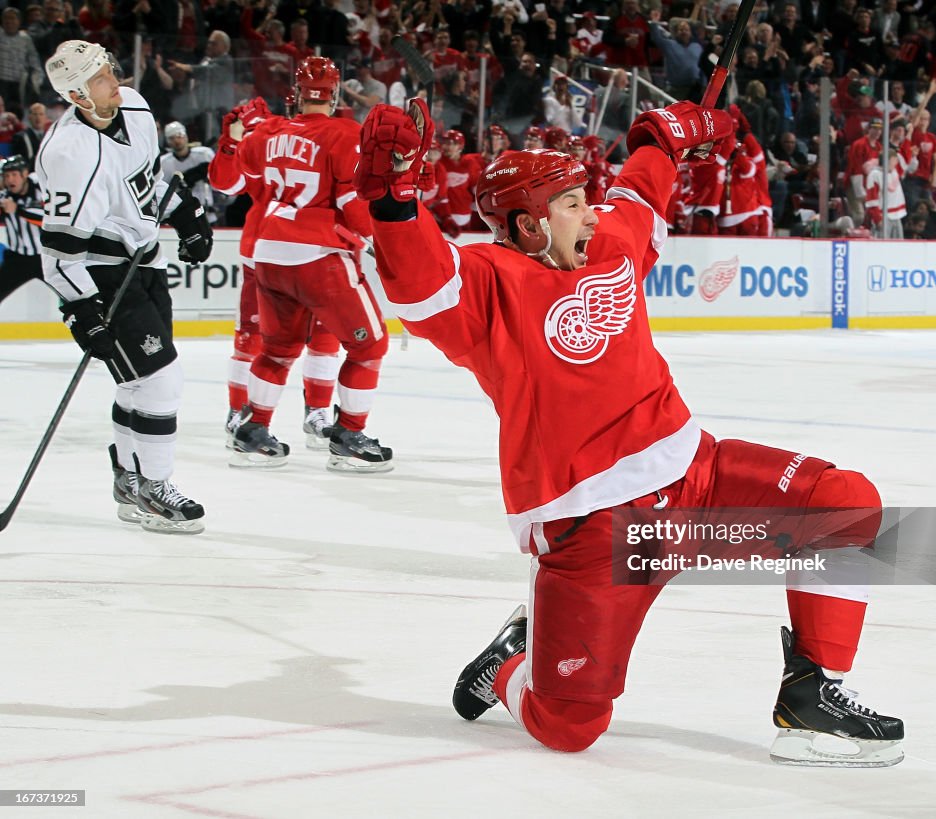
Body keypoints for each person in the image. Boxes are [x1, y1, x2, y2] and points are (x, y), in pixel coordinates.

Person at [354, 98, 905, 766]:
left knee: (842, 499)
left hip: (697, 483)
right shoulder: (492, 284)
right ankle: (506, 664)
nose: (592, 213)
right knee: (569, 726)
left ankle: (814, 691)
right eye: (572, 204)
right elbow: (420, 280)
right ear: (528, 225)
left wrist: (665, 137)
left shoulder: (609, 241)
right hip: (594, 532)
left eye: (587, 199)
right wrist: (392, 201)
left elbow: (640, 189)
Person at [37, 40, 212, 533]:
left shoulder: (133, 107)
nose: (114, 81)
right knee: (161, 380)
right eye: (99, 79)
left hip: (145, 263)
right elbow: (58, 251)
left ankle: (129, 481)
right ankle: (155, 488)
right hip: (101, 273)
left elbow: (144, 179)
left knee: (138, 382)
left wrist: (183, 212)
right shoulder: (69, 153)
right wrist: (80, 309)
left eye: (109, 71)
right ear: (77, 95)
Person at [232, 56, 393, 472]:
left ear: (298, 94)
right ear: (335, 93)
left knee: (278, 348)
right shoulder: (344, 133)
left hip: (268, 252)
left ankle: (253, 430)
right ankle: (350, 434)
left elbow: (241, 175)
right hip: (316, 254)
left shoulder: (266, 131)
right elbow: (350, 203)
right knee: (369, 343)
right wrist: (376, 240)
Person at [208, 96, 347, 452]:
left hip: (313, 249)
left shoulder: (304, 135)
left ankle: (316, 411)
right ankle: (241, 411)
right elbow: (225, 182)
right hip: (268, 249)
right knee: (255, 338)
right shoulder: (268, 134)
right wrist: (231, 143)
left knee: (324, 337)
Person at [0, 155, 45, 305]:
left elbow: (46, 219)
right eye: (7, 176)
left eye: (14, 175)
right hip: (17, 259)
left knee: (73, 295)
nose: (10, 180)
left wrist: (18, 210)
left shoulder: (41, 189)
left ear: (25, 174)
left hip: (45, 258)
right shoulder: (3, 195)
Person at [159, 121, 217, 223]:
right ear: (167, 141)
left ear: (186, 136)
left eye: (179, 136)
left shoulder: (204, 154)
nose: (177, 140)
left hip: (208, 215)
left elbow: (219, 181)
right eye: (172, 138)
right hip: (181, 217)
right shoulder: (163, 162)